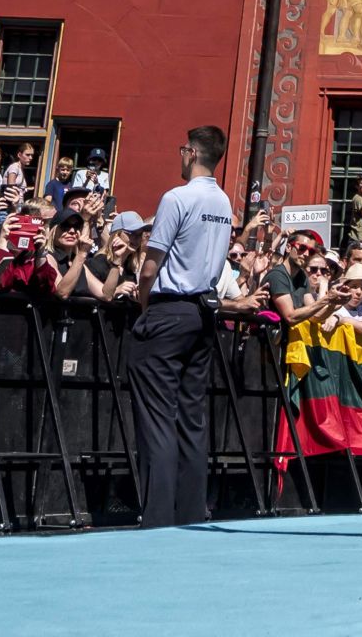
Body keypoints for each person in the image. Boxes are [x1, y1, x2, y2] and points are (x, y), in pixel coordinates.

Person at [127, 124, 235, 528]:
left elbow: (151, 262)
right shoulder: (223, 203)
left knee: (156, 416)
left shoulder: (177, 198)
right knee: (191, 416)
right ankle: (191, 512)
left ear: (190, 152)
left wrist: (144, 305)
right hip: (203, 313)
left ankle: (156, 516)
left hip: (169, 308)